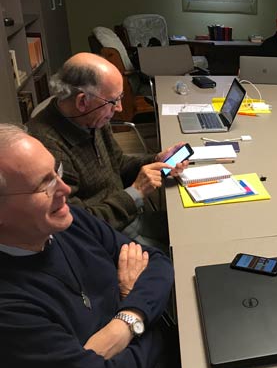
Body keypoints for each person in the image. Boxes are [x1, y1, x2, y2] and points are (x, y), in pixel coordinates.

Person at [0, 124, 178, 368]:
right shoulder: (9, 309)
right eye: (45, 184)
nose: (64, 189)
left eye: (56, 171)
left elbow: (158, 262)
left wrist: (126, 321)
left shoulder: (66, 219)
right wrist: (149, 318)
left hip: (161, 363)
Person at [26, 52, 188, 248]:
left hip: (128, 216)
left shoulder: (92, 117)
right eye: (113, 101)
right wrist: (135, 193)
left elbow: (117, 163)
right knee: (186, 255)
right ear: (82, 101)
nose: (119, 108)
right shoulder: (46, 150)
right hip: (106, 238)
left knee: (192, 226)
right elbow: (77, 226)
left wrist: (156, 160)